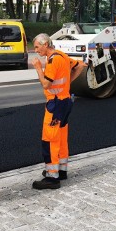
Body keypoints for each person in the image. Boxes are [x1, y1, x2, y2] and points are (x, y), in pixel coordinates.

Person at [31, 33, 83, 189]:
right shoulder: (61, 55)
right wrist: (67, 83)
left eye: (37, 46)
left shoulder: (53, 60)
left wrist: (38, 68)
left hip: (56, 104)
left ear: (45, 44)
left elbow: (46, 84)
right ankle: (61, 170)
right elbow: (79, 66)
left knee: (49, 139)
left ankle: (52, 178)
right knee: (61, 137)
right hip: (66, 101)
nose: (35, 50)